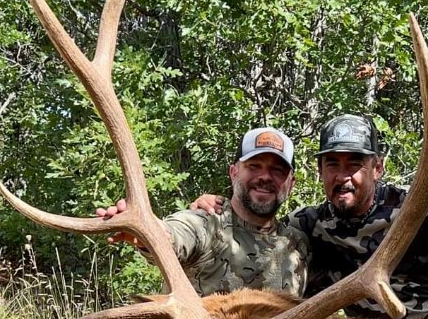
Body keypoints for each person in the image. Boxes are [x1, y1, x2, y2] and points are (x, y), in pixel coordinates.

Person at [191, 114, 428, 319]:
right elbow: (261, 227)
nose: (343, 175)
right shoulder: (310, 224)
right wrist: (214, 206)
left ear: (377, 168)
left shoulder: (417, 207)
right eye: (333, 164)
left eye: (354, 164)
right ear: (320, 171)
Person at [95, 126, 308, 298]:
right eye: (254, 166)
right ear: (233, 172)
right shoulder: (207, 222)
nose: (265, 177)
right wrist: (146, 231)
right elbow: (175, 234)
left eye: (277, 170)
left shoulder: (298, 243)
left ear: (291, 184)